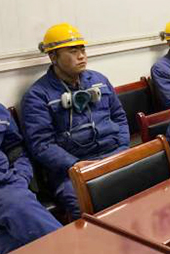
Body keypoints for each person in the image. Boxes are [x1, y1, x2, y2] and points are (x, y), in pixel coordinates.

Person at [21, 23, 129, 219]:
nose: (81, 56)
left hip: (114, 154)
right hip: (72, 169)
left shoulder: (99, 80)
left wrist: (122, 149)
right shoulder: (37, 96)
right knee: (88, 211)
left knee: (148, 189)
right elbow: (42, 144)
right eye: (73, 51)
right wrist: (76, 165)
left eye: (82, 49)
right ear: (53, 57)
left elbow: (120, 117)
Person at [0, 102, 61, 254]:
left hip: (8, 184)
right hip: (8, 196)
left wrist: (21, 177)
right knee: (16, 204)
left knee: (10, 239)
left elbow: (16, 149)